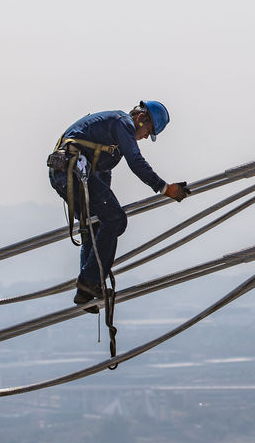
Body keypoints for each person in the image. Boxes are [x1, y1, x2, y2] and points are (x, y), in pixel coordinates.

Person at [48, 100, 189, 311]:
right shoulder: (122, 123)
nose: (143, 138)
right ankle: (89, 281)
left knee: (96, 224)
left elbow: (103, 174)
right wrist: (165, 188)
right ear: (141, 119)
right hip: (70, 172)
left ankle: (85, 290)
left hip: (67, 173)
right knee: (115, 219)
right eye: (147, 132)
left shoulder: (110, 139)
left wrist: (108, 206)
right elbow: (136, 161)